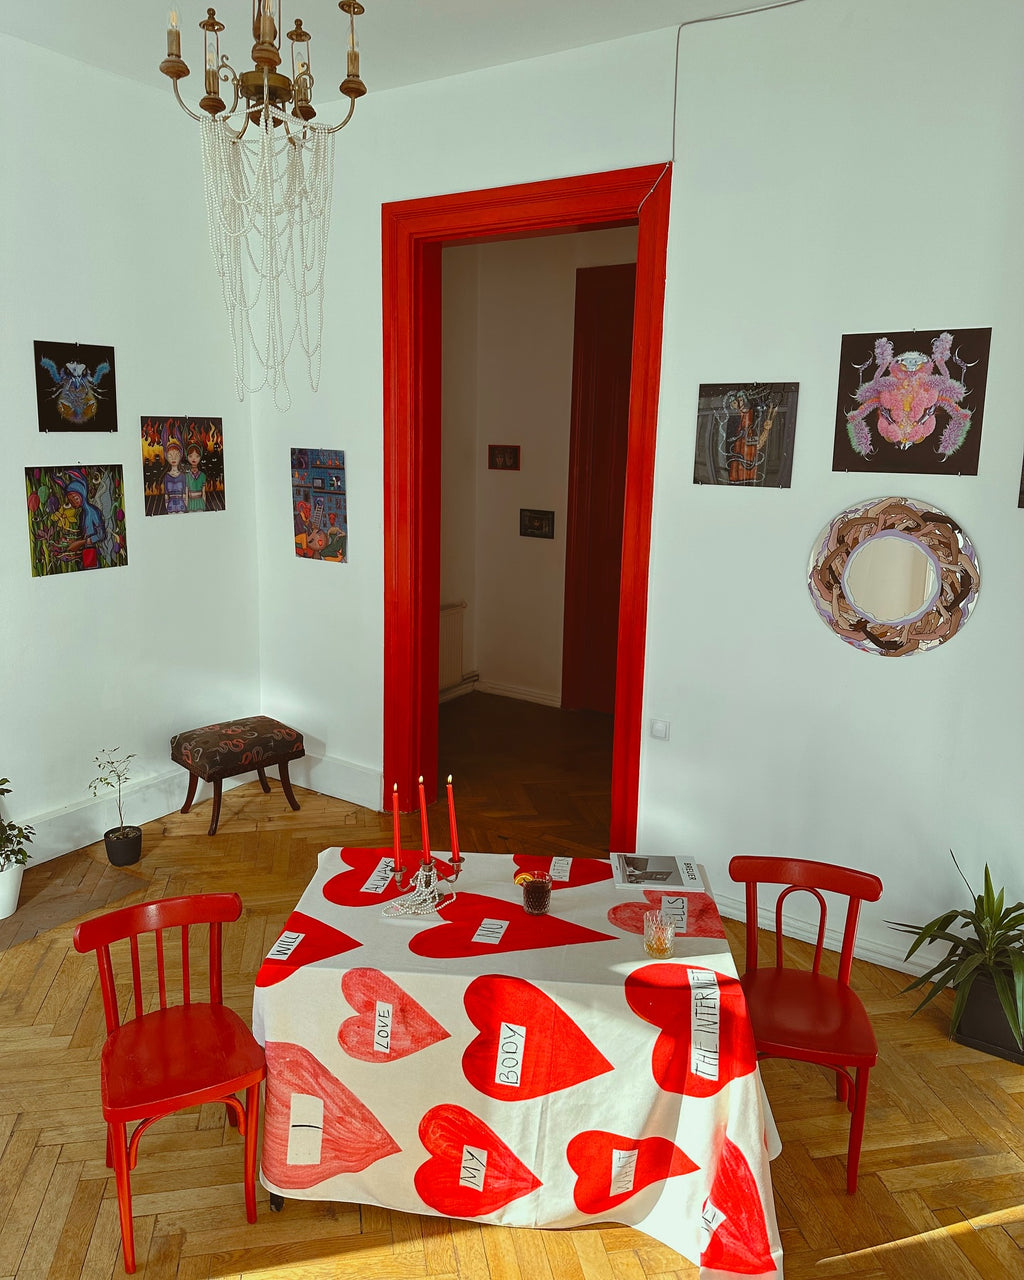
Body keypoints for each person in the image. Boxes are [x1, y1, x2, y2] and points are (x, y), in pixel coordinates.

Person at [63, 478, 105, 569]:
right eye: (70, 501)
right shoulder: (82, 513)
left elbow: (101, 535)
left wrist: (82, 542)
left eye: (75, 498)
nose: (73, 502)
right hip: (85, 553)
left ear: (82, 494)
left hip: (92, 554)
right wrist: (75, 542)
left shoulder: (92, 511)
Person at [162, 440, 187, 514]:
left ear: (180, 456)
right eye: (170, 455)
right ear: (166, 457)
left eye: (176, 455)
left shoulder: (183, 476)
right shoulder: (166, 476)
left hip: (181, 504)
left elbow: (184, 493)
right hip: (170, 505)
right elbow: (166, 494)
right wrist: (166, 505)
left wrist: (186, 504)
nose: (174, 458)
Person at [185, 445, 207, 512]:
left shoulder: (202, 475)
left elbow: (203, 492)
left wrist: (204, 502)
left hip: (200, 501)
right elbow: (186, 492)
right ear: (187, 457)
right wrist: (186, 503)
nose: (194, 459)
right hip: (190, 502)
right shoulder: (186, 476)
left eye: (197, 456)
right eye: (190, 456)